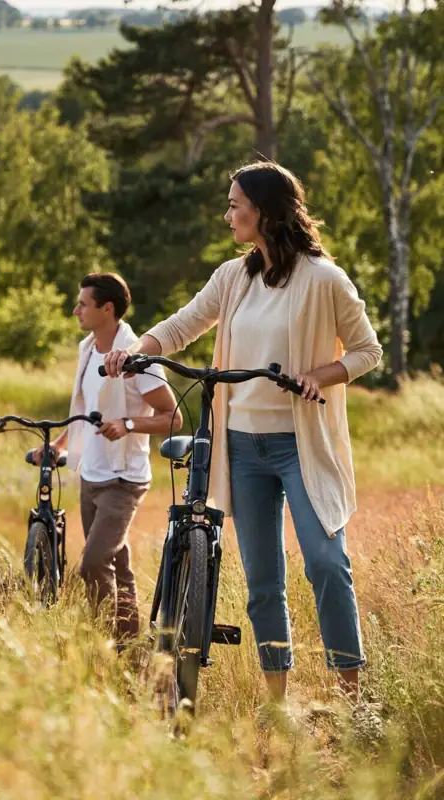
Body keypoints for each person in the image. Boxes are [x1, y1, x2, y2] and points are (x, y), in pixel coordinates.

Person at [103, 161, 382, 703]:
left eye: (235, 205)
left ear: (265, 210)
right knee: (262, 584)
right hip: (242, 445)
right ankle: (278, 703)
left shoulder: (324, 279)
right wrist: (134, 352)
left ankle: (353, 698)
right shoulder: (234, 276)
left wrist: (318, 375)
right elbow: (183, 324)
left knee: (326, 564)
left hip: (300, 446)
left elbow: (367, 350)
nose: (227, 214)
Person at [35, 272, 182, 645]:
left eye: (83, 304)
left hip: (123, 479)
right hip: (92, 476)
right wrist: (62, 446)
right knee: (117, 564)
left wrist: (129, 423)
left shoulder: (137, 357)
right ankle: (132, 652)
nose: (75, 310)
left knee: (93, 562)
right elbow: (87, 409)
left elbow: (172, 417)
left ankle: (107, 641)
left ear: (108, 308)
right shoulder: (88, 348)